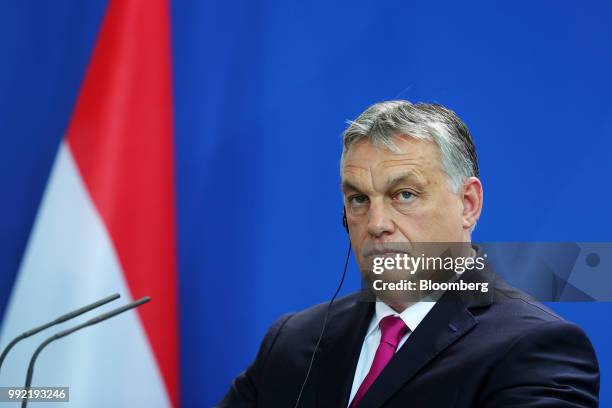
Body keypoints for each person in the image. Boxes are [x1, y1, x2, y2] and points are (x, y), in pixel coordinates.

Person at [217, 100, 600, 407]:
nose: (377, 222)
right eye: (358, 199)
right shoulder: (293, 341)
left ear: (468, 204)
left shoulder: (535, 349)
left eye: (404, 195)